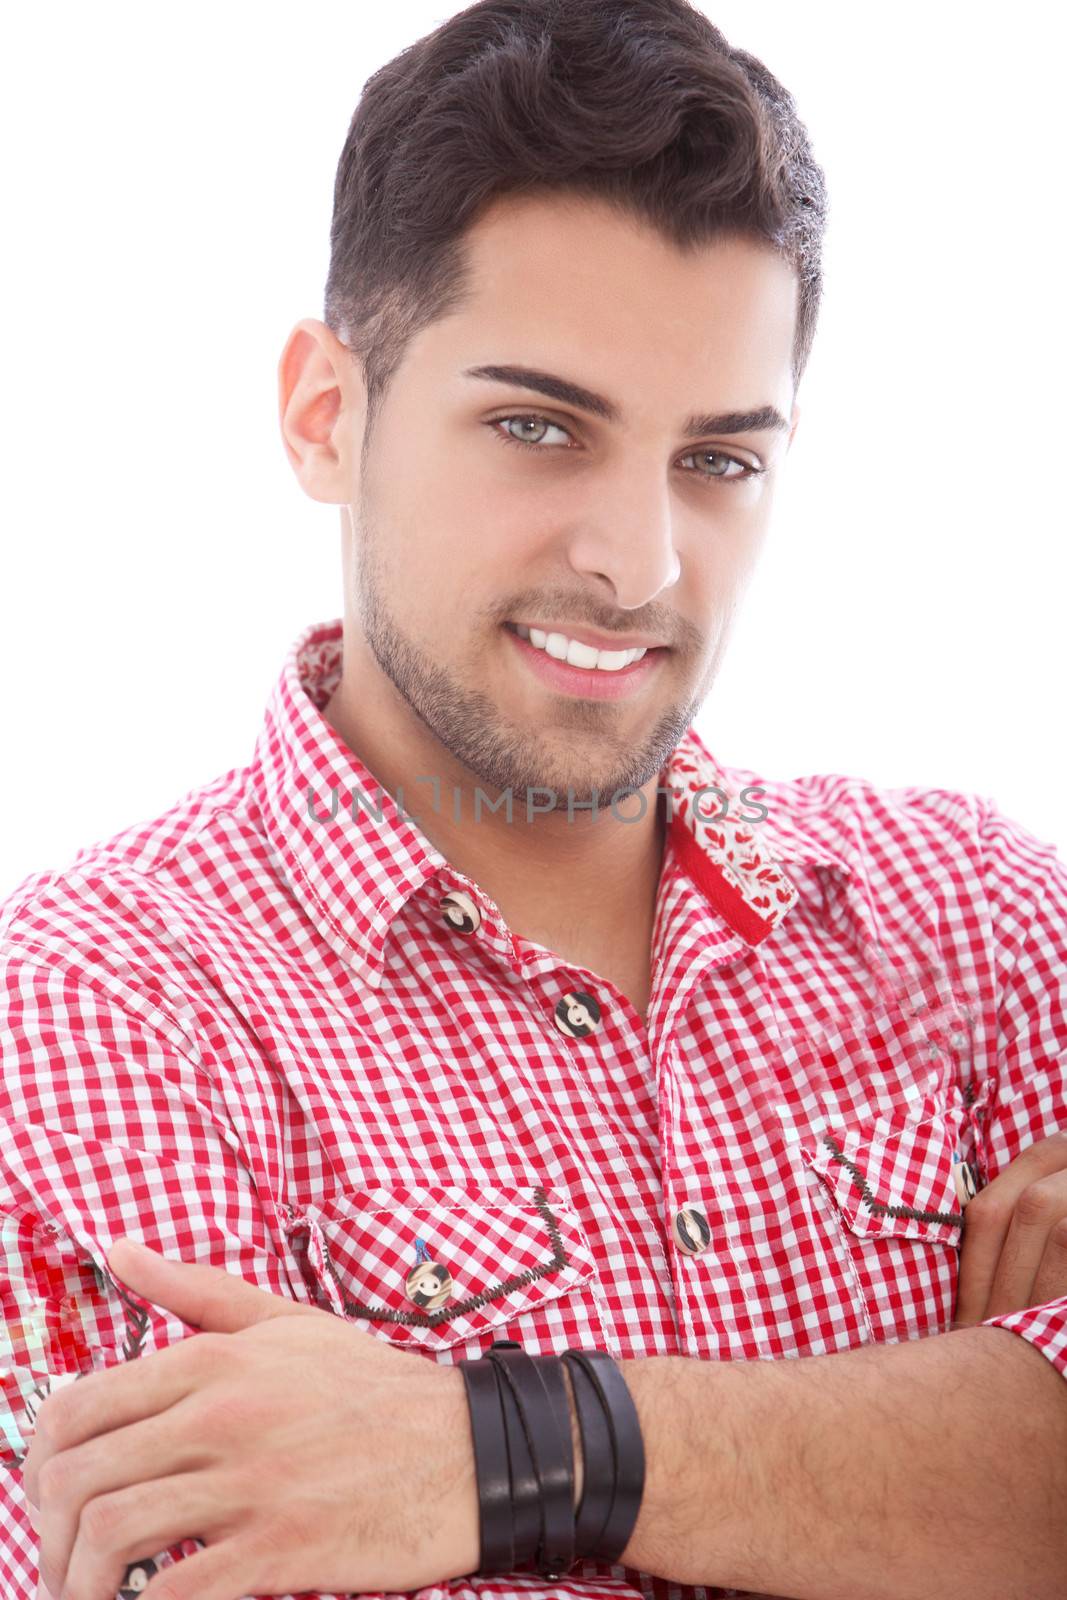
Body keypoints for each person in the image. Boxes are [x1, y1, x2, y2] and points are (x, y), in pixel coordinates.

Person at [3, 2, 1067, 1598]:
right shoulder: (104, 1007)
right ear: (324, 414)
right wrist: (965, 1448)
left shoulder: (975, 916)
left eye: (718, 460)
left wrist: (507, 1455)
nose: (636, 562)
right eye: (535, 427)